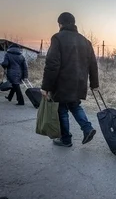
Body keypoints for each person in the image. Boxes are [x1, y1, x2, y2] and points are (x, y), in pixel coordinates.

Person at [41, 12, 99, 147]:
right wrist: (94, 84)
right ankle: (87, 128)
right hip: (79, 82)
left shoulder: (58, 38)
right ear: (73, 23)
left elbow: (52, 64)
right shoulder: (85, 41)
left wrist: (46, 86)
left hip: (62, 82)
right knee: (74, 105)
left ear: (60, 24)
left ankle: (65, 139)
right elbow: (93, 64)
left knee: (61, 109)